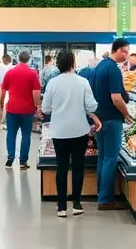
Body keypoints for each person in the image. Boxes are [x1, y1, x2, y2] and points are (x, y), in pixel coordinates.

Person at [42, 50, 102, 218]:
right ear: (73, 64)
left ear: (58, 64)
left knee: (61, 167)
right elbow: (91, 107)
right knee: (77, 166)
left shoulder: (53, 83)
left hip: (59, 132)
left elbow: (46, 108)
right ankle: (76, 203)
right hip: (79, 131)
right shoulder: (83, 82)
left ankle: (61, 206)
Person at [91, 38, 131, 210]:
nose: (127, 55)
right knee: (110, 158)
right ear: (117, 49)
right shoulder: (113, 69)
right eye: (125, 51)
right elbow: (116, 98)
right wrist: (126, 114)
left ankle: (101, 194)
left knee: (102, 157)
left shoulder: (99, 66)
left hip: (100, 118)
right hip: (112, 119)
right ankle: (106, 199)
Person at [1, 49, 42, 169]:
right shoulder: (33, 73)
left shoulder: (10, 72)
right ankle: (23, 161)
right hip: (27, 110)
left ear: (18, 58)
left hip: (12, 109)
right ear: (29, 59)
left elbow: (3, 91)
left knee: (11, 134)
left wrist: (0, 103)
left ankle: (10, 158)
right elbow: (36, 93)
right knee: (26, 135)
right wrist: (37, 106)